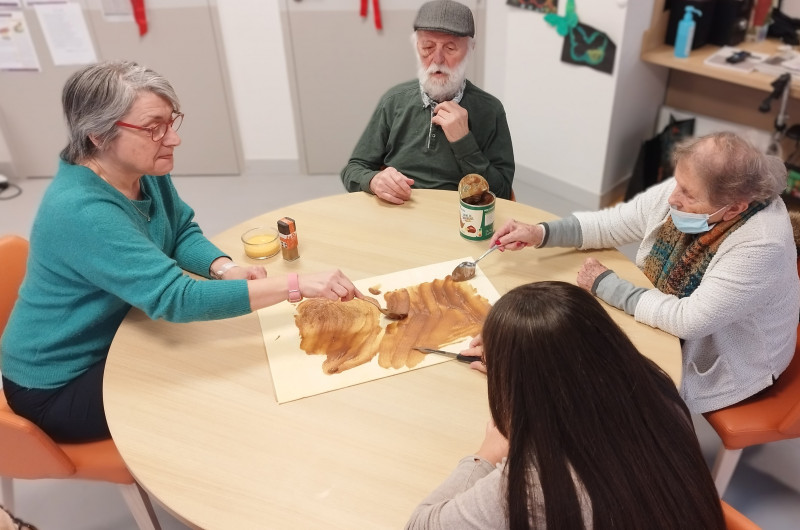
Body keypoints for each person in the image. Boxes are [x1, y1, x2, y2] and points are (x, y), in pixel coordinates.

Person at [0, 61, 359, 443]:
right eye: (154, 128)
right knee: (215, 391)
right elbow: (176, 298)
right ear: (97, 136)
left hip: (113, 334)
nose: (172, 139)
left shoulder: (142, 169)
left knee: (223, 358)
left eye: (172, 122)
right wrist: (296, 285)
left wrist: (222, 267)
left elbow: (179, 230)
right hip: (57, 383)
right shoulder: (82, 211)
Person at [489, 131, 800, 414]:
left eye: (688, 195)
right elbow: (614, 224)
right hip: (674, 313)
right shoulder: (697, 182)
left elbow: (688, 320)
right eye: (678, 183)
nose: (672, 198)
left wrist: (606, 285)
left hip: (732, 357)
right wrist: (541, 233)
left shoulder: (762, 245)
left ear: (734, 208)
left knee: (596, 384)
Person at [407, 282, 725, 529]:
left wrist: (486, 455)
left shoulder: (536, 483)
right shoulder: (655, 388)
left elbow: (419, 526)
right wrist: (520, 366)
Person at [340, 0, 514, 204]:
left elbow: (502, 193)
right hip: (398, 213)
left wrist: (464, 141)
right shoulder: (394, 101)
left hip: (459, 218)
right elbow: (353, 169)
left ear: (470, 49)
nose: (437, 59)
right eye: (428, 47)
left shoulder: (490, 110)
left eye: (450, 48)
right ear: (416, 47)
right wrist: (373, 180)